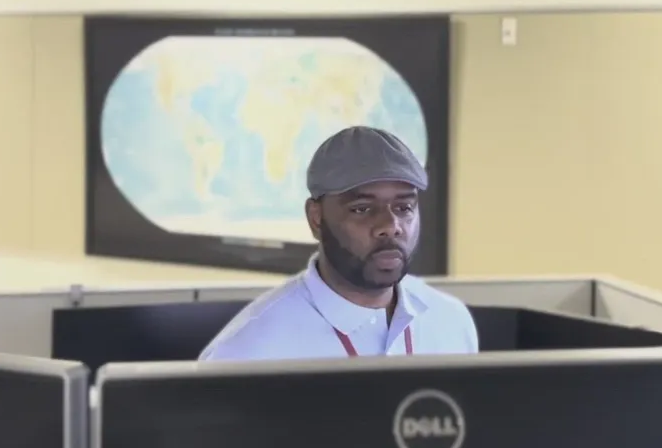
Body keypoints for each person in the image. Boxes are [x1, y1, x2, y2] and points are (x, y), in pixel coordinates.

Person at [198, 126, 479, 361]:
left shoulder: (450, 321)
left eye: (404, 207)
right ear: (316, 218)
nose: (390, 226)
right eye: (362, 209)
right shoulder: (249, 351)